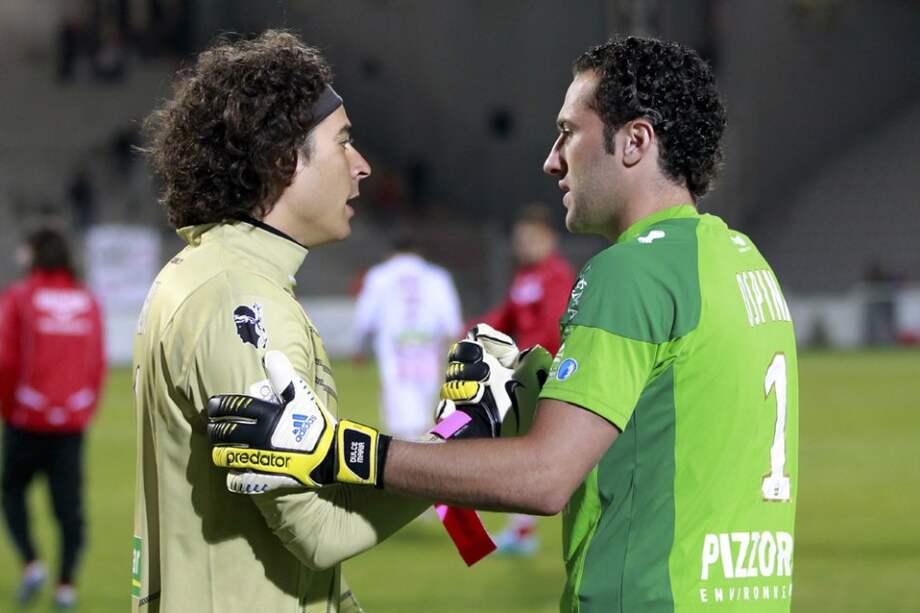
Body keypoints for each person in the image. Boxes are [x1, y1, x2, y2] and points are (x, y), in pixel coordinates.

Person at [210, 37, 800, 613]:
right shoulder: (739, 260)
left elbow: (544, 477)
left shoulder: (632, 271)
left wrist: (340, 449)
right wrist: (532, 388)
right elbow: (666, 415)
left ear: (634, 141)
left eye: (568, 132)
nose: (552, 159)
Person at [134, 31, 430, 613]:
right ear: (281, 158)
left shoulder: (215, 274)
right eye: (343, 142)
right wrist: (460, 445)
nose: (362, 166)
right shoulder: (239, 300)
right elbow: (317, 531)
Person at [0, 227, 106, 609]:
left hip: (26, 420)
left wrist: (9, 409)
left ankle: (31, 564)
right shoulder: (87, 300)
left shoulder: (21, 297)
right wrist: (84, 409)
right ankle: (65, 585)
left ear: (35, 253)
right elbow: (96, 362)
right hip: (70, 424)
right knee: (69, 510)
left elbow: (5, 359)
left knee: (12, 492)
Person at [475, 203, 575, 554]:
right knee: (519, 447)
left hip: (542, 372)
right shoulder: (525, 276)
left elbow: (553, 326)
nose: (524, 246)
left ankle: (519, 531)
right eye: (520, 240)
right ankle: (520, 531)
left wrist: (521, 357)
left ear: (549, 238)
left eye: (530, 239)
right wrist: (473, 332)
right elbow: (506, 316)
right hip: (524, 371)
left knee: (521, 448)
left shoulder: (556, 276)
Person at [353, 232, 462, 438]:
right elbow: (451, 322)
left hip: (394, 350)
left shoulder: (380, 276)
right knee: (428, 412)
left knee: (400, 415)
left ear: (390, 253)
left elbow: (364, 317)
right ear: (418, 251)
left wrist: (359, 347)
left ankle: (406, 452)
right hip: (429, 350)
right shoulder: (437, 276)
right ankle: (428, 448)